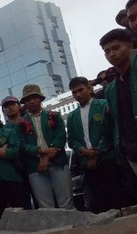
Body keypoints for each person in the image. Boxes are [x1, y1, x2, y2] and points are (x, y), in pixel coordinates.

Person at [67, 76, 122, 213]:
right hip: (87, 164)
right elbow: (72, 139)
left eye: (81, 90)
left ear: (89, 88)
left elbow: (110, 131)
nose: (78, 94)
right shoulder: (71, 116)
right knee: (98, 202)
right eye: (74, 92)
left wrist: (96, 152)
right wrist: (83, 151)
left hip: (108, 158)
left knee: (116, 197)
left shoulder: (103, 105)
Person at [20, 84, 73, 209]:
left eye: (34, 97)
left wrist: (47, 157)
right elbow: (22, 145)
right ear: (25, 103)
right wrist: (40, 151)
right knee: (46, 207)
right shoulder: (21, 123)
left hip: (57, 163)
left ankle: (72, 228)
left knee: (66, 202)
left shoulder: (53, 115)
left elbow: (61, 136)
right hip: (35, 167)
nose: (32, 101)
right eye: (28, 99)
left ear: (40, 99)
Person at [100, 28, 137, 203]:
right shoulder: (111, 89)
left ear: (129, 45)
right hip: (129, 152)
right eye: (107, 51)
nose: (111, 54)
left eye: (116, 48)